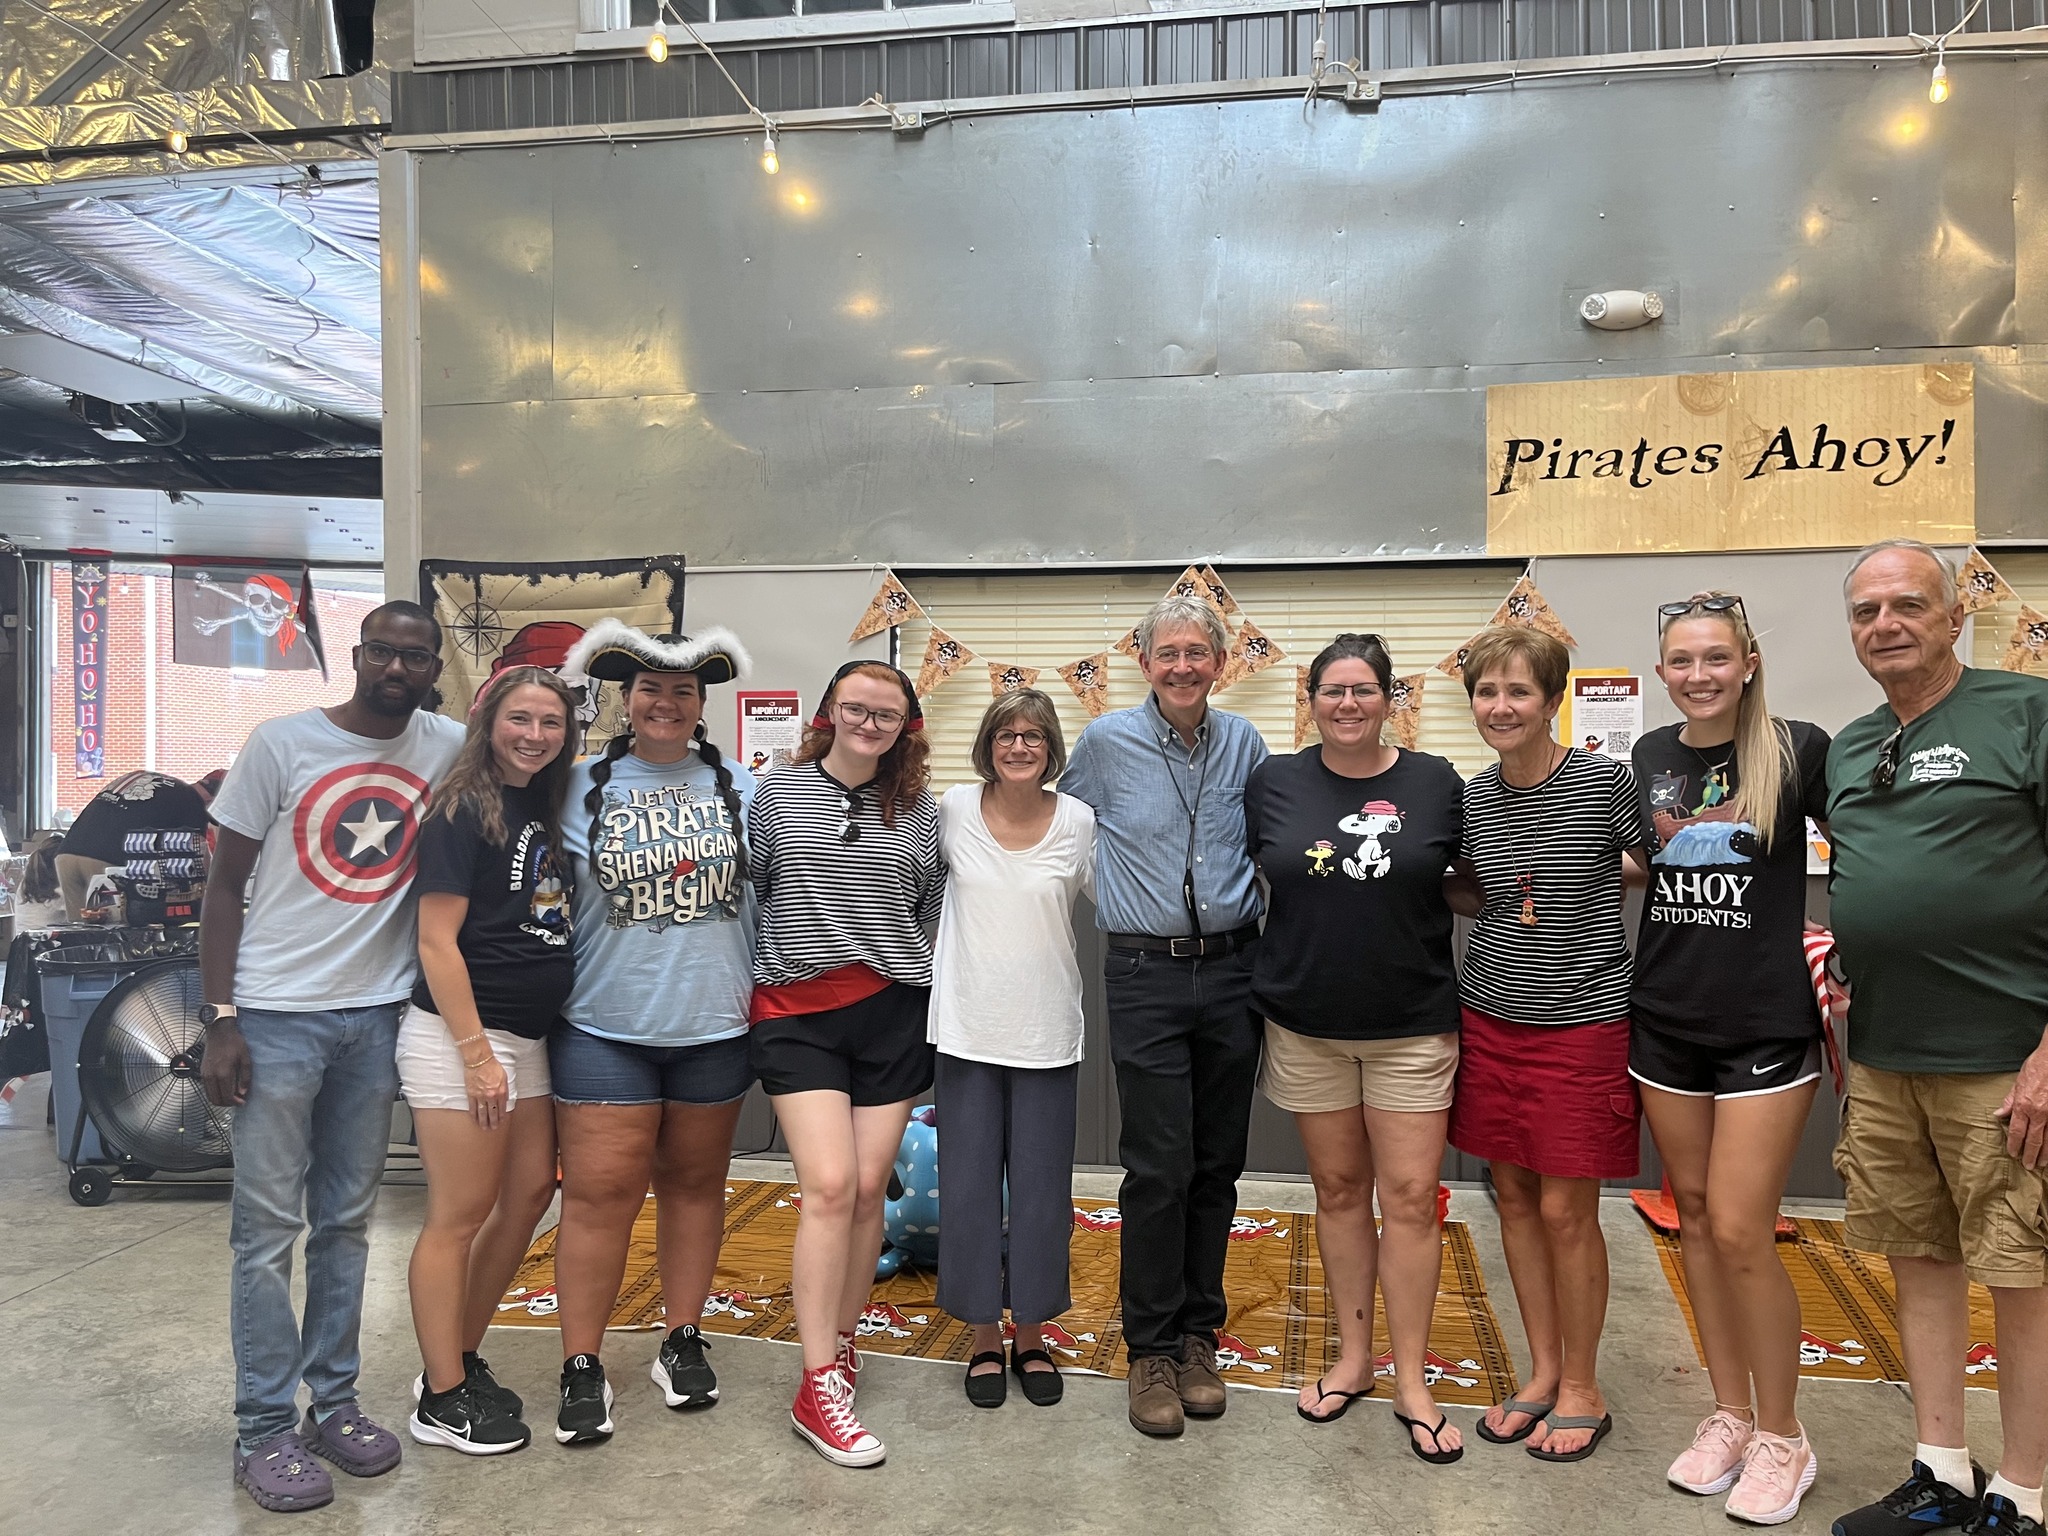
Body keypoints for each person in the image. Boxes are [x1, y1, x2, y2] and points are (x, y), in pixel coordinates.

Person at [198, 602, 464, 1514]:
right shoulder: (280, 745)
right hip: (274, 1017)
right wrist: (221, 1016)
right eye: (383, 651)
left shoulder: (446, 746)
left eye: (416, 656)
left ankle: (334, 1403)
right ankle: (263, 1428)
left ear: (435, 667)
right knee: (266, 1232)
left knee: (348, 1222)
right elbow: (224, 887)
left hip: (377, 1017)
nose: (398, 667)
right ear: (356, 656)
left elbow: (531, 766)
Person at [1825, 540, 2048, 1536]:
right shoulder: (1849, 741)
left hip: (2001, 1057)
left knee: (2018, 1266)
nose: (1885, 624)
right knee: (1916, 1257)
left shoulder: (2021, 712)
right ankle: (1940, 1469)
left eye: (1907, 604)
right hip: (1881, 1055)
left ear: (1954, 615)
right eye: (1866, 611)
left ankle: (2023, 1493)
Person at [1628, 593, 1830, 1524]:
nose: (1699, 675)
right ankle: (1730, 1414)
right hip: (1666, 1019)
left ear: (1747, 661)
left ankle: (1786, 1436)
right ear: (1662, 671)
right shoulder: (1650, 757)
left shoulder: (1799, 748)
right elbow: (1644, 863)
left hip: (1763, 1025)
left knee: (1747, 1229)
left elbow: (1867, 843)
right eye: (1681, 661)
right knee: (1698, 1222)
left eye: (1716, 658)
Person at [1245, 633, 1465, 1463]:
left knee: (1409, 1200)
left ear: (1390, 697)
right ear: (1310, 699)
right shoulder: (1274, 782)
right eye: (1332, 691)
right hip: (1305, 1025)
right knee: (1338, 1191)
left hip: (1411, 1026)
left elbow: (1477, 875)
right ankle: (1354, 1359)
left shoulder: (1435, 781)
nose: (1347, 705)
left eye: (1363, 690)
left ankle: (1411, 1378)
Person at [1059, 592, 1268, 1439]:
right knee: (1157, 1166)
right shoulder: (1105, 744)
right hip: (1144, 971)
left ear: (1220, 662)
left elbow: (1275, 838)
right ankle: (1148, 1345)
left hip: (1234, 970)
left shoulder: (1247, 743)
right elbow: (1053, 822)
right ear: (1144, 663)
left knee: (1218, 1163)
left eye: (1198, 652)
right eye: (1168, 652)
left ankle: (1196, 1336)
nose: (1184, 666)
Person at [547, 622, 757, 1447]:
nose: (665, 702)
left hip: (714, 1027)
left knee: (695, 1188)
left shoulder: (744, 787)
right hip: (606, 1025)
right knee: (600, 1196)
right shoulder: (570, 787)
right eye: (649, 688)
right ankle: (581, 1364)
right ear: (623, 699)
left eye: (682, 690)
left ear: (701, 702)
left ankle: (681, 1337)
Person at [1445, 624, 1647, 1464]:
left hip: (1584, 1022)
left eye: (1519, 691)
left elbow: (1648, 866)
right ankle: (1542, 1370)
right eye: (1487, 693)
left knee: (1569, 1210)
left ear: (1552, 699)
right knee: (1515, 1201)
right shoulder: (1470, 797)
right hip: (1491, 1017)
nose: (1501, 706)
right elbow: (1461, 886)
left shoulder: (1606, 782)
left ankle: (1584, 1389)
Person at [748, 660, 943, 1468]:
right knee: (828, 1186)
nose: (869, 723)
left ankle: (842, 1336)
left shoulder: (923, 812)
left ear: (906, 726)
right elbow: (751, 893)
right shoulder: (774, 792)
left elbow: (928, 909)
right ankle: (816, 1380)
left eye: (886, 714)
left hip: (893, 1013)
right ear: (829, 710)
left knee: (868, 1190)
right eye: (855, 708)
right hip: (798, 1015)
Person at [401, 665, 580, 1457]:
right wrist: (476, 1056)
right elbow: (436, 939)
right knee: (458, 1215)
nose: (536, 734)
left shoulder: (543, 801)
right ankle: (438, 1397)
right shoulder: (459, 808)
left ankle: (459, 1358)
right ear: (488, 722)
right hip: (461, 1035)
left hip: (529, 1036)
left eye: (551, 722)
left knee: (530, 1193)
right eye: (521, 719)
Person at [928, 688, 1095, 1410]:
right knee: (965, 1191)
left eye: (1032, 735)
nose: (1019, 746)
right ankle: (981, 1337)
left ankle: (1029, 1332)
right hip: (966, 1028)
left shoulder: (1081, 821)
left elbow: (1115, 900)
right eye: (1005, 735)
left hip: (1047, 1032)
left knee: (1040, 1194)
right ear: (988, 745)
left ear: (1051, 747)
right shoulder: (952, 810)